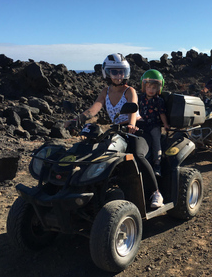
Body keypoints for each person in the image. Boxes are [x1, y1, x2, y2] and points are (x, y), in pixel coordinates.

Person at [65, 53, 164, 208]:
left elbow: (133, 109)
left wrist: (131, 126)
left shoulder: (129, 90)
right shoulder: (105, 92)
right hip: (117, 131)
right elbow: (93, 109)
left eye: (121, 72)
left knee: (137, 155)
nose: (119, 75)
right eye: (115, 72)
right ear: (107, 73)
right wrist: (77, 120)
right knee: (95, 152)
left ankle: (156, 193)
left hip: (139, 129)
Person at [137, 69, 170, 177]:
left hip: (154, 125)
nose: (151, 90)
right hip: (142, 125)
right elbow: (137, 111)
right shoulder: (140, 99)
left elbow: (162, 114)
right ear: (144, 87)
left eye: (154, 87)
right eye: (148, 87)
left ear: (159, 88)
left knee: (156, 142)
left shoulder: (159, 100)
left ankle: (157, 164)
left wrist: (165, 124)